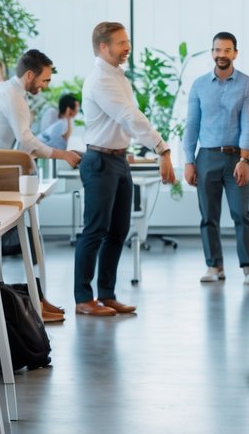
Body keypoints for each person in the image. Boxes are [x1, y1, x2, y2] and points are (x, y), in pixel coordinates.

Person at [75, 21, 175, 317]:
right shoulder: (100, 80)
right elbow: (129, 116)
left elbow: (128, 119)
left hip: (118, 160)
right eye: (121, 43)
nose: (127, 47)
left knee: (118, 231)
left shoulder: (119, 77)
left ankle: (107, 294)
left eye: (127, 41)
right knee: (94, 230)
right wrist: (162, 148)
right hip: (99, 161)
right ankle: (83, 298)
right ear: (103, 47)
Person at [184, 32, 249, 286]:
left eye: (227, 50)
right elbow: (192, 126)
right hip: (206, 156)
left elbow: (248, 125)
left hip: (236, 158)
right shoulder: (199, 85)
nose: (221, 55)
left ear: (235, 53)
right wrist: (188, 161)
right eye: (217, 50)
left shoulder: (248, 86)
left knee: (241, 214)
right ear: (212, 53)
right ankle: (214, 265)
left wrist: (245, 160)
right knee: (208, 216)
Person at [0, 50, 82, 168]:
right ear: (30, 75)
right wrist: (64, 155)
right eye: (44, 80)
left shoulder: (4, 89)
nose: (46, 86)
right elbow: (26, 141)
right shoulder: (13, 96)